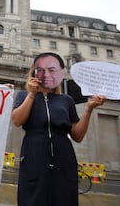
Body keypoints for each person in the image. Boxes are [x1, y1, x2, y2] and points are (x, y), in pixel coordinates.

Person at [11, 52, 106, 206]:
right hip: (34, 156)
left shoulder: (66, 100)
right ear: (34, 71)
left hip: (64, 158)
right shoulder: (23, 95)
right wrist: (32, 94)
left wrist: (89, 109)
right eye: (41, 69)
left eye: (52, 69)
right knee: (33, 199)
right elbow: (17, 120)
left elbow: (77, 135)